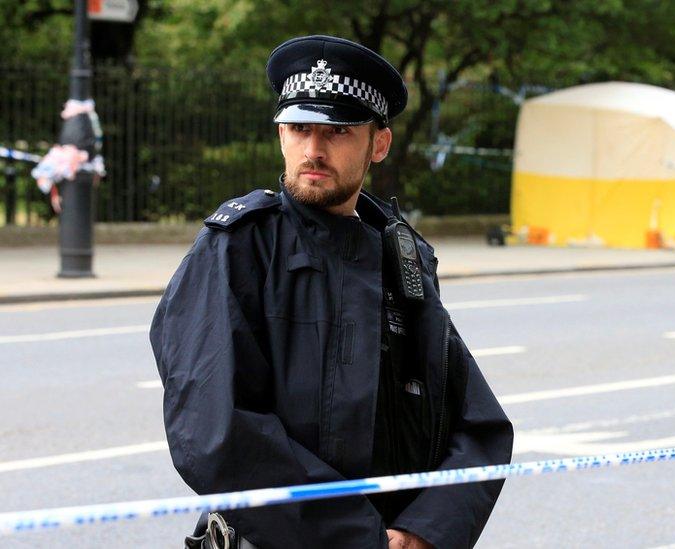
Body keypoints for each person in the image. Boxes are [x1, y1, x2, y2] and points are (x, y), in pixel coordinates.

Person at [149, 35, 514, 549]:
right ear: (281, 133)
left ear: (378, 144)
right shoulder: (238, 249)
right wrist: (359, 538)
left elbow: (479, 426)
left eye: (337, 132)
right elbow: (216, 432)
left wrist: (425, 531)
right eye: (300, 128)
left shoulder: (403, 259)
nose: (313, 150)